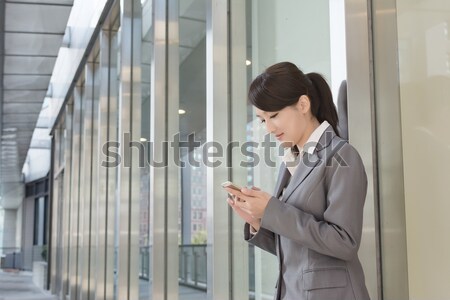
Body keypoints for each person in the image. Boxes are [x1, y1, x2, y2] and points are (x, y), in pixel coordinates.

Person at [224, 62, 370, 300]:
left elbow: (344, 242)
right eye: (262, 120)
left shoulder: (341, 155)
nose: (269, 128)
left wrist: (273, 209)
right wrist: (259, 221)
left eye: (274, 115)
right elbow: (297, 248)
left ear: (303, 104)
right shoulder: (289, 162)